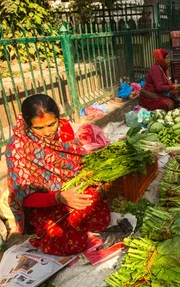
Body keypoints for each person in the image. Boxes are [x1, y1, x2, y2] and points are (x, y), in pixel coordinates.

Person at [6, 94, 111, 256]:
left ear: (58, 118)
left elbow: (75, 163)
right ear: (27, 124)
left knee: (100, 216)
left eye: (51, 124)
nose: (47, 132)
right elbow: (24, 196)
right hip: (44, 204)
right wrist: (59, 197)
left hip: (70, 191)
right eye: (39, 128)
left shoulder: (64, 129)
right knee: (69, 243)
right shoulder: (19, 148)